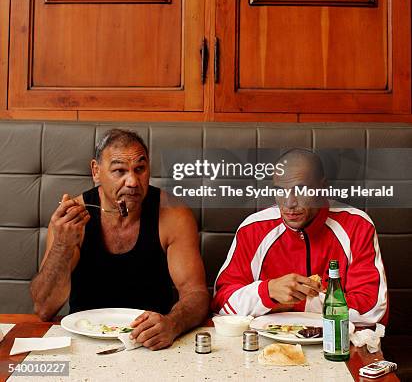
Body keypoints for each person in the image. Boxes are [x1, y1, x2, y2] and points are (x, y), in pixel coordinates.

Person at [31, 129, 210, 350]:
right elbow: (44, 308)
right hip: (83, 338)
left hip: (151, 340)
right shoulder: (72, 219)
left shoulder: (173, 214)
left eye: (140, 169)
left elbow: (197, 294)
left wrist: (173, 324)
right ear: (96, 171)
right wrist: (62, 245)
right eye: (119, 171)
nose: (133, 181)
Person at [212, 148, 388, 325]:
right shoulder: (254, 228)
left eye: (301, 190)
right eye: (280, 191)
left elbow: (371, 310)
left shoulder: (357, 225)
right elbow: (222, 303)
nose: (289, 203)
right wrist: (268, 291)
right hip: (267, 345)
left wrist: (296, 301)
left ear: (322, 187)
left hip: (336, 343)